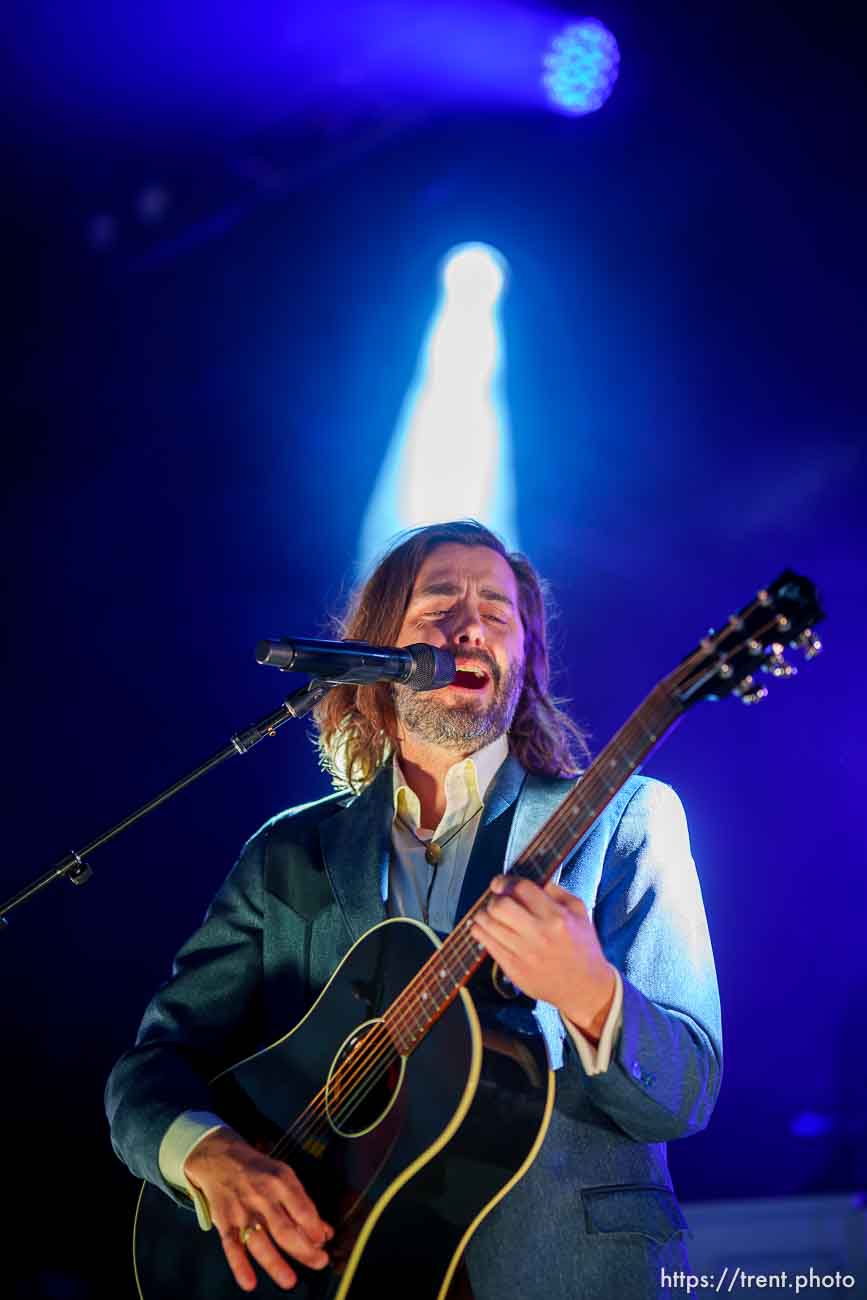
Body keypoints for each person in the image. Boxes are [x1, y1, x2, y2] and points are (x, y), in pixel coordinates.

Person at [106, 519, 722, 1300]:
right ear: (375, 649)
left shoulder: (627, 819)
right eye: (439, 607)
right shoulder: (288, 854)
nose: (469, 628)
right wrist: (205, 1154)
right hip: (335, 1269)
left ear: (523, 661)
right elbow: (153, 1066)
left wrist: (590, 996)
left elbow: (688, 1091)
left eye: (497, 615)